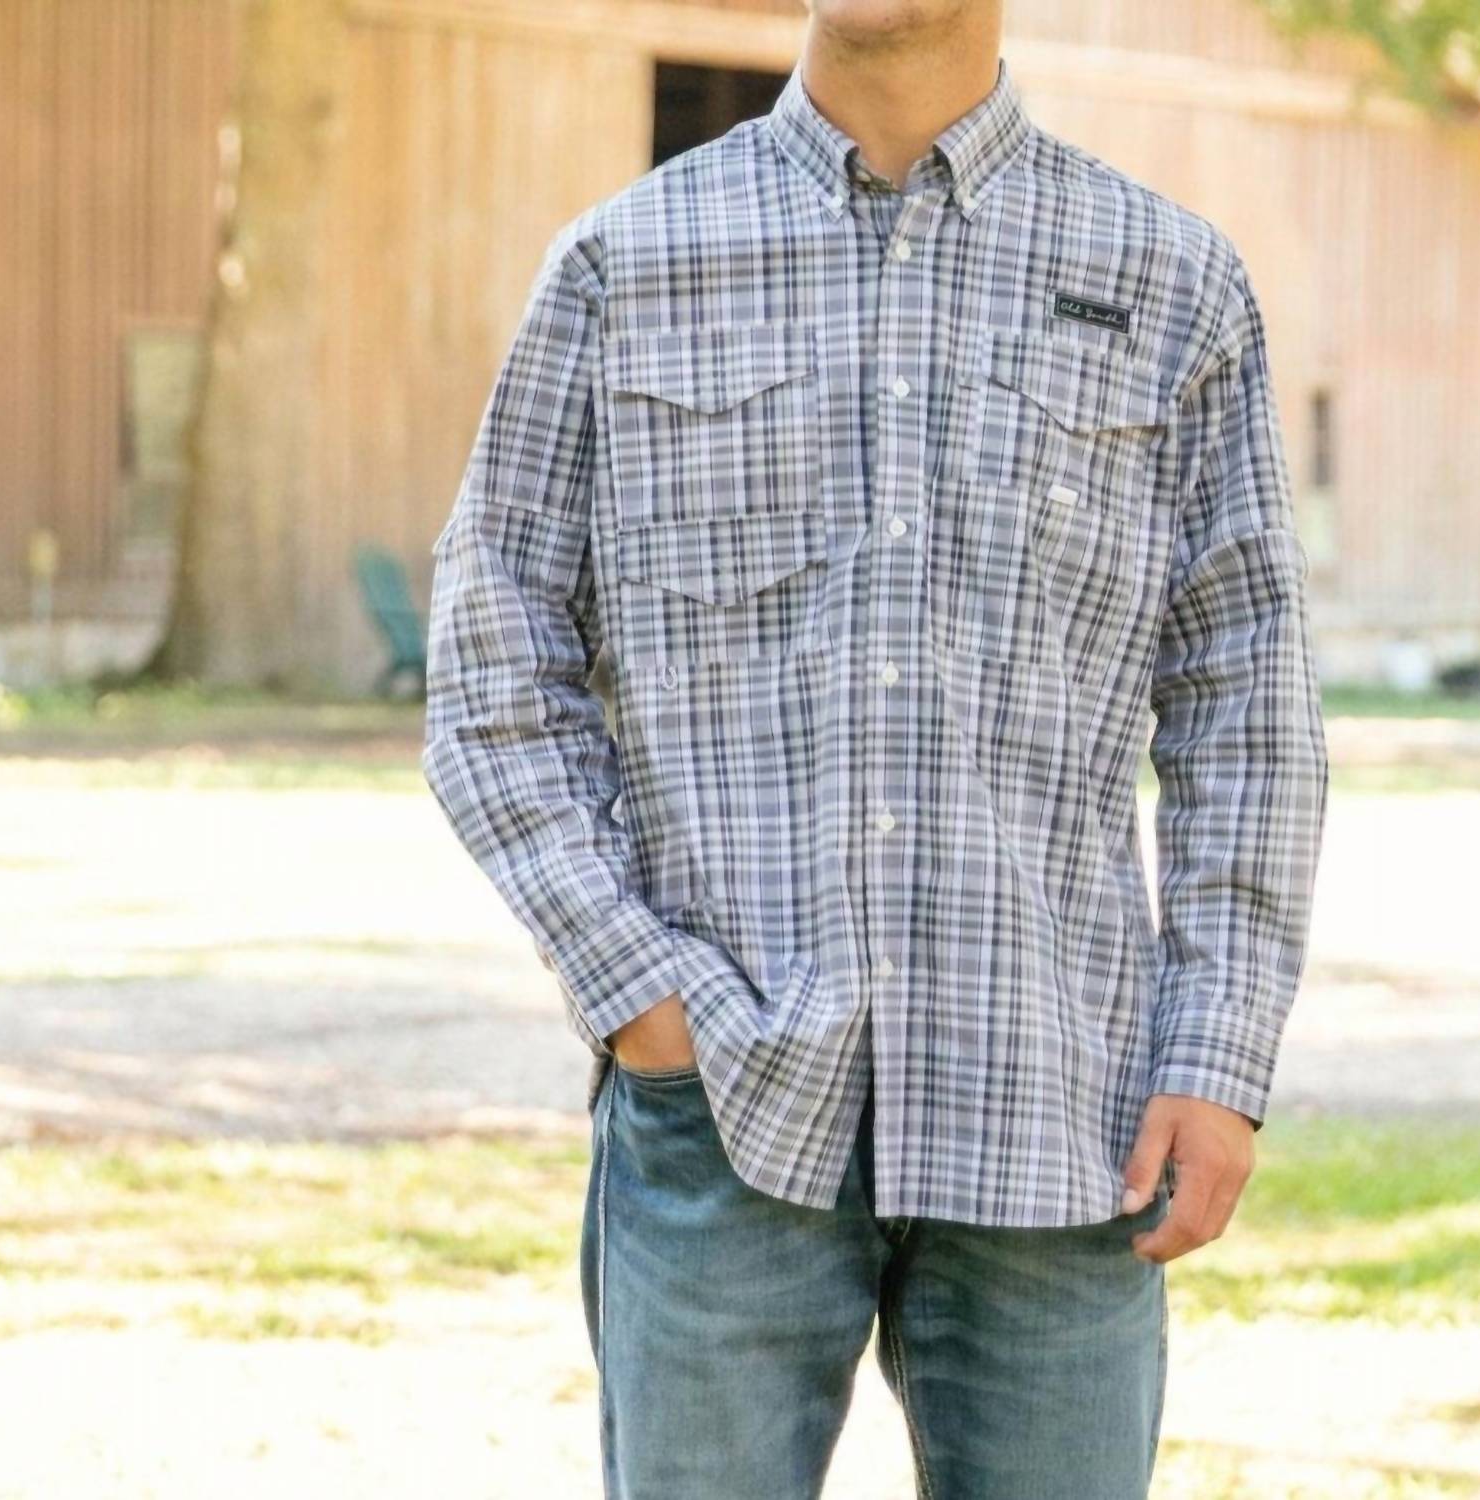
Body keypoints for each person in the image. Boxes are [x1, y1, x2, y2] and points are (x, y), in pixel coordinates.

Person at [421, 1, 1329, 1494]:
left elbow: (1245, 701)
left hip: (1063, 1113)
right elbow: (490, 653)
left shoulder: (1172, 284)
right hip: (723, 1109)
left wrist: (1218, 1052)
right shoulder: (623, 267)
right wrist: (637, 990)